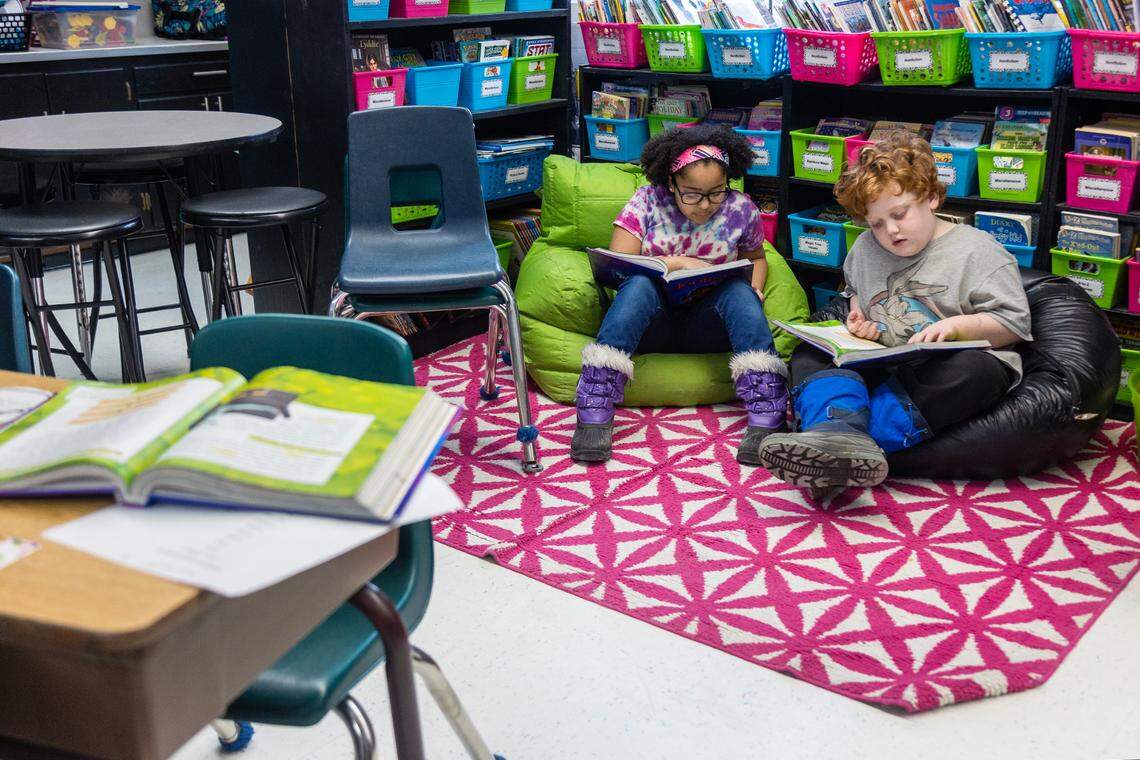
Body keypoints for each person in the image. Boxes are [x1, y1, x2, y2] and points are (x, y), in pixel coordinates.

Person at [757, 132, 1033, 495]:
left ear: (931, 197)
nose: (890, 231)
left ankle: (848, 443)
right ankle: (836, 432)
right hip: (881, 360)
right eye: (875, 223)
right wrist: (858, 321)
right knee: (809, 351)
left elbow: (1014, 324)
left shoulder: (978, 252)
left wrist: (957, 327)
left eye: (900, 214)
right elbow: (856, 295)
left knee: (979, 371)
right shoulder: (864, 250)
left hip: (941, 367)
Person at [571, 124, 787, 464]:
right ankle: (596, 403)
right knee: (641, 283)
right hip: (649, 326)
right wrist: (678, 263)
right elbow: (619, 263)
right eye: (692, 194)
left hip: (709, 328)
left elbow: (757, 258)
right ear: (671, 183)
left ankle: (766, 411)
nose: (705, 205)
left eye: (716, 192)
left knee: (739, 290)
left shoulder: (741, 208)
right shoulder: (647, 201)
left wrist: (755, 291)